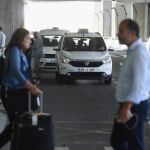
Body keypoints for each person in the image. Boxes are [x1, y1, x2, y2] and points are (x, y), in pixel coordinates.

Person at [110, 19, 150, 150]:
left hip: (134, 107)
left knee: (136, 145)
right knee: (117, 140)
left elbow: (139, 85)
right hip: (127, 104)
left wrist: (127, 108)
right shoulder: (132, 51)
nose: (117, 34)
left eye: (121, 31)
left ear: (132, 34)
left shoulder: (139, 54)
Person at [0, 28, 42, 148]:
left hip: (17, 92)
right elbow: (15, 70)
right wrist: (29, 85)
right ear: (20, 39)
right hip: (10, 91)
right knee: (16, 123)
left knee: (18, 123)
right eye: (27, 38)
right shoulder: (14, 50)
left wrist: (31, 82)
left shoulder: (21, 53)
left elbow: (22, 73)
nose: (30, 41)